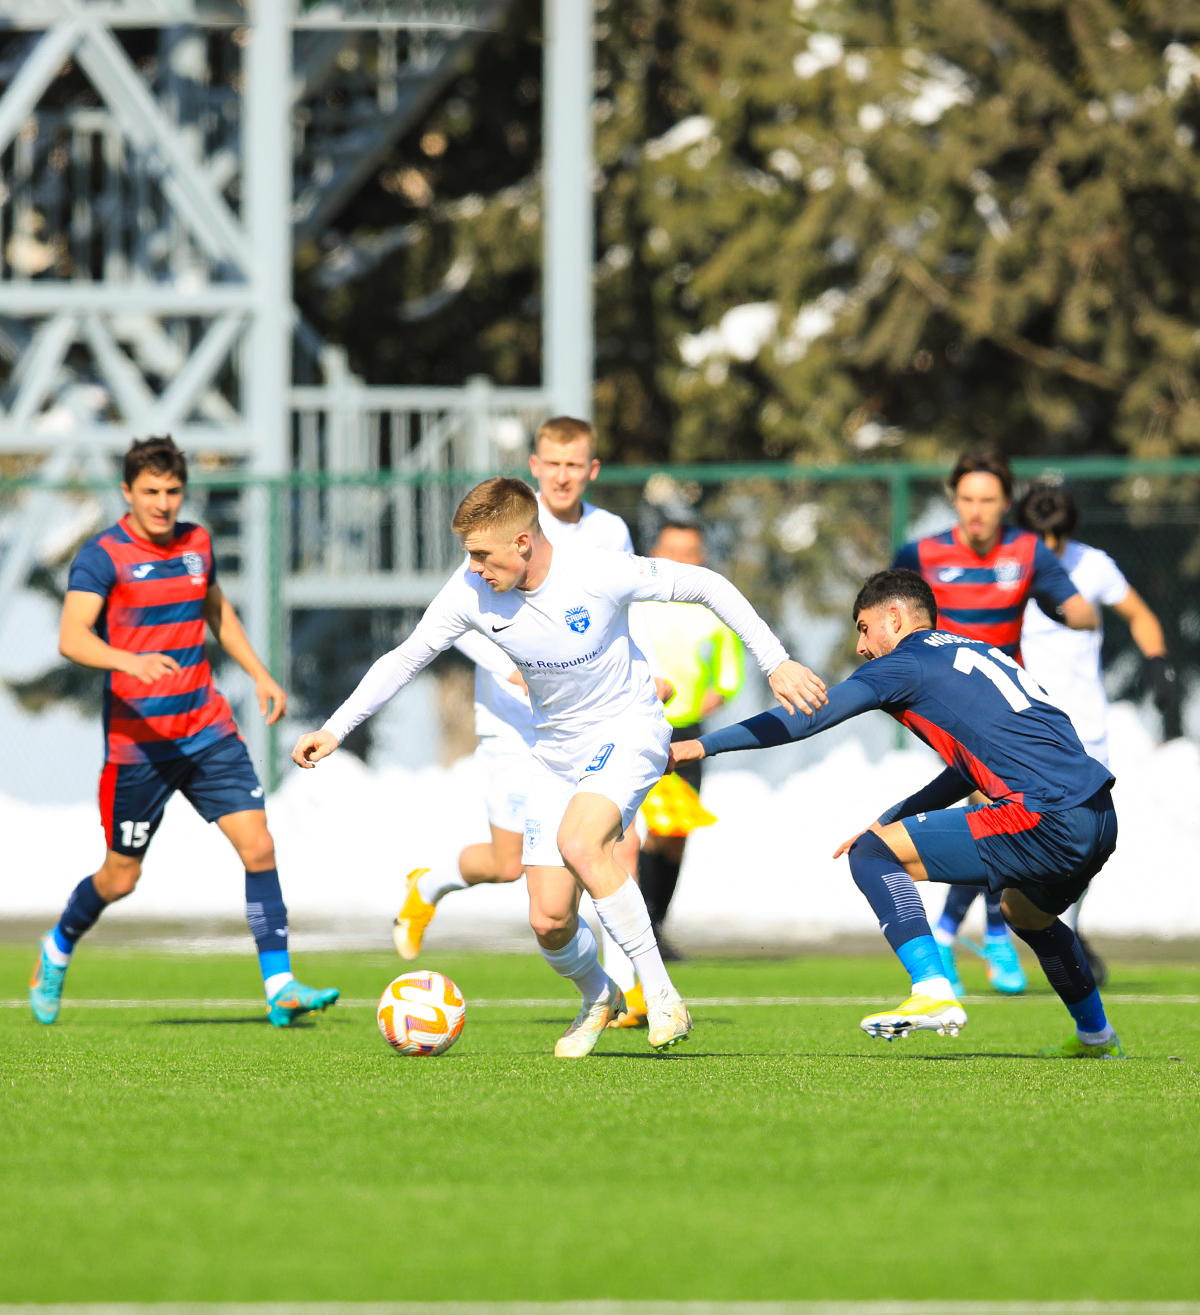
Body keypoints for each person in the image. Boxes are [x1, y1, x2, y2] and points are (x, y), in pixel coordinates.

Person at [292, 476, 825, 1058]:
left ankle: (661, 994)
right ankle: (598, 995)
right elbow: (404, 659)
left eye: (482, 555)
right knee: (548, 919)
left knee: (582, 843)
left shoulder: (595, 570)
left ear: (523, 541)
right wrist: (334, 729)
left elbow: (707, 585)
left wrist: (775, 661)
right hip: (555, 752)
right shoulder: (469, 589)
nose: (473, 568)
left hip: (630, 727)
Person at [670, 568, 1124, 1059]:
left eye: (864, 628)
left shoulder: (907, 660)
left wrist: (699, 745)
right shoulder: (973, 652)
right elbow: (967, 772)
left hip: (1045, 816)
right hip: (1098, 813)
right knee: (1024, 912)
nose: (861, 646)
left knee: (871, 855)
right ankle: (1097, 1037)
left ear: (895, 617)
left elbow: (809, 715)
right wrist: (886, 820)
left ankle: (932, 989)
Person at [30, 435, 338, 1028]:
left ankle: (280, 985)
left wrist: (260, 673)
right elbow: (72, 637)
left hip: (207, 729)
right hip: (138, 747)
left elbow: (216, 610)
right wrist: (129, 661)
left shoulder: (197, 543)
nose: (163, 503)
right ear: (127, 492)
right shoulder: (102, 556)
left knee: (259, 845)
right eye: (151, 491)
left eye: (172, 491)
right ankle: (59, 945)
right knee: (121, 877)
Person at [392, 416, 647, 962]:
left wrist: (645, 680)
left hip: (592, 723)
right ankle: (429, 883)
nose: (562, 476)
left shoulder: (610, 531)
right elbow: (458, 621)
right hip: (513, 721)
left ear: (592, 470)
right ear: (535, 466)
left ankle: (635, 990)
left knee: (613, 848)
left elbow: (622, 614)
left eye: (573, 465)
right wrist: (509, 667)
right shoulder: (504, 523)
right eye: (552, 464)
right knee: (508, 864)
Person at [893, 448, 1098, 998]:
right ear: (953, 499)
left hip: (1007, 714)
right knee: (999, 814)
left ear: (1006, 502)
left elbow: (1077, 608)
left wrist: (1074, 612)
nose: (976, 510)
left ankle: (957, 934)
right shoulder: (921, 554)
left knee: (999, 815)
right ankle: (989, 936)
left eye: (987, 499)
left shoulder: (1027, 551)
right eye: (966, 498)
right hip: (945, 709)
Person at [1018, 485, 1179, 977]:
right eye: (1040, 539)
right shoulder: (1009, 568)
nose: (1049, 548)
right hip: (1024, 724)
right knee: (1005, 822)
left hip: (1085, 727)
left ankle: (1068, 928)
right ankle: (1000, 930)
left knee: (1087, 839)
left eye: (1057, 539)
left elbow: (1140, 615)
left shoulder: (1094, 565)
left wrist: (1158, 663)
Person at [627, 520, 745, 960]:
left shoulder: (712, 609)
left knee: (675, 831)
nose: (679, 560)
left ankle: (655, 925)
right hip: (638, 725)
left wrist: (718, 694)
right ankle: (636, 929)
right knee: (641, 832)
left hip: (688, 734)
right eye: (671, 550)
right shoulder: (637, 603)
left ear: (702, 559)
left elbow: (729, 674)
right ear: (655, 554)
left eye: (688, 552)